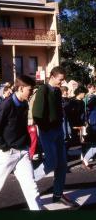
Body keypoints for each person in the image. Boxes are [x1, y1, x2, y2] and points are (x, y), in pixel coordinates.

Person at [0, 75, 43, 211]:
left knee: (31, 187)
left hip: (23, 152)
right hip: (8, 152)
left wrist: (27, 142)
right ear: (20, 88)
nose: (31, 93)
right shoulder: (6, 105)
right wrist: (3, 146)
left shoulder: (24, 104)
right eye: (30, 90)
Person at [32, 66, 79, 208]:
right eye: (60, 79)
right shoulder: (43, 90)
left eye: (63, 79)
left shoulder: (57, 91)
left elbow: (58, 110)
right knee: (51, 162)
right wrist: (46, 128)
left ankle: (57, 195)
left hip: (58, 132)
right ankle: (29, 179)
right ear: (52, 77)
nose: (62, 82)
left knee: (62, 165)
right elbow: (37, 114)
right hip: (47, 132)